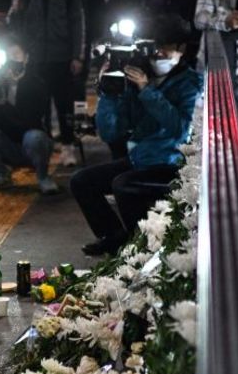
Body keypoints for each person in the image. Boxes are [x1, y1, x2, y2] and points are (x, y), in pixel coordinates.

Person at [70, 16, 202, 256]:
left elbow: (180, 129)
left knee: (123, 184)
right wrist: (108, 91)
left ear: (182, 48)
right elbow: (111, 132)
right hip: (141, 159)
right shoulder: (138, 75)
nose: (159, 52)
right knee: (82, 181)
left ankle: (140, 247)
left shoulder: (191, 83)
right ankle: (115, 236)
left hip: (172, 163)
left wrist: (147, 90)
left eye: (166, 46)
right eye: (155, 45)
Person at [7, 0, 85, 165]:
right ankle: (41, 147)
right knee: (34, 106)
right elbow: (12, 23)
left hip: (61, 57)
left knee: (64, 105)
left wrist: (77, 56)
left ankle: (68, 146)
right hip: (32, 59)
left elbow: (78, 24)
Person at [0, 40, 59, 194]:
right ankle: (1, 175)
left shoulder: (35, 82)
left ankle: (43, 177)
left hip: (33, 143)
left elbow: (32, 121)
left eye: (16, 55)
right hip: (7, 144)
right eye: (8, 56)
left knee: (35, 137)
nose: (12, 60)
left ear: (26, 58)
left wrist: (6, 102)